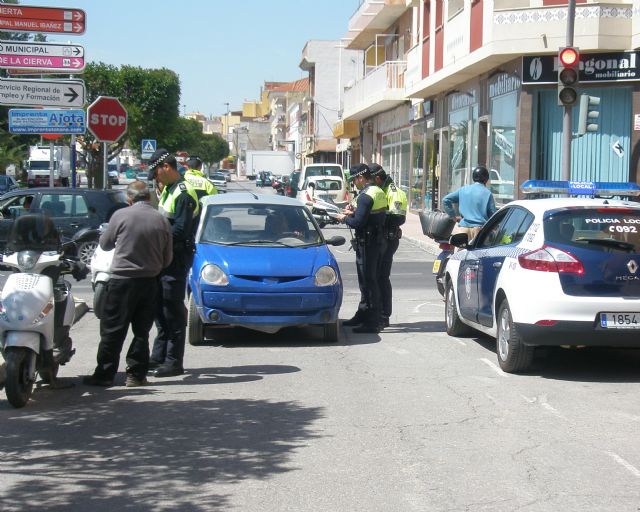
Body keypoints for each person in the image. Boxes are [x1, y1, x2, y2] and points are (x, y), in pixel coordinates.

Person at [83, 181, 173, 387]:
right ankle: (136, 375)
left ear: (129, 199)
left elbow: (105, 244)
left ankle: (105, 374)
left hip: (122, 281)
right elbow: (167, 259)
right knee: (141, 331)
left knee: (112, 329)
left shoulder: (121, 216)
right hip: (150, 282)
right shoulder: (161, 220)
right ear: (149, 198)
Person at [148, 148, 200, 378]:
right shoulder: (168, 190)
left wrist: (154, 232)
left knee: (172, 311)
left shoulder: (183, 193)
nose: (155, 178)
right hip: (163, 258)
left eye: (156, 173)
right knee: (160, 309)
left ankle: (173, 361)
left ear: (166, 167)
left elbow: (181, 229)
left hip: (175, 259)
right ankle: (159, 356)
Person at [336, 164, 387, 333]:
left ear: (361, 177)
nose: (354, 184)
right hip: (376, 240)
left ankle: (372, 321)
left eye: (354, 180)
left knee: (368, 282)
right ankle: (364, 313)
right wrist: (355, 212)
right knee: (370, 281)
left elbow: (358, 222)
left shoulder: (366, 196)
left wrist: (343, 218)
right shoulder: (378, 191)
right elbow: (370, 215)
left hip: (368, 242)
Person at [371, 164, 407, 329]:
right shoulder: (379, 190)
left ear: (378, 178)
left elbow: (398, 218)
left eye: (371, 180)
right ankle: (375, 312)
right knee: (374, 276)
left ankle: (384, 315)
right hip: (378, 238)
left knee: (381, 277)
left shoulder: (394, 192)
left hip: (388, 239)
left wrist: (378, 216)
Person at [442, 166, 497, 242]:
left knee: (461, 252)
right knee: (479, 253)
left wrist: (453, 216)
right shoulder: (487, 193)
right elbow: (493, 214)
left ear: (473, 178)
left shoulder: (463, 190)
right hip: (479, 230)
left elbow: (445, 200)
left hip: (463, 228)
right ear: (486, 179)